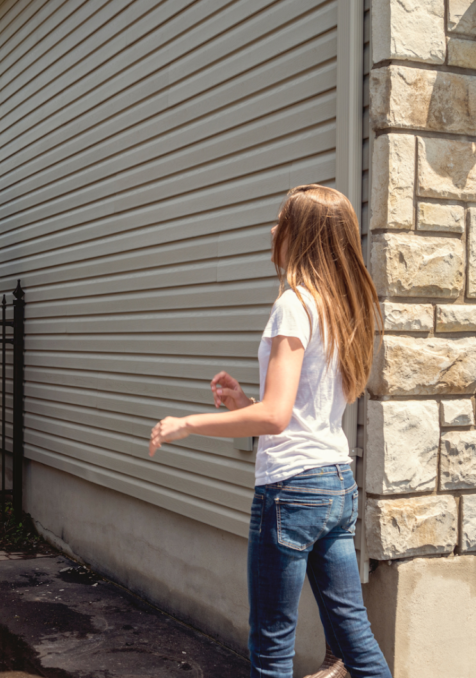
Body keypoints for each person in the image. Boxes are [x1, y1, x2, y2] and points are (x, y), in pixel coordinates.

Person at [148, 185, 390, 678]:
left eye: (282, 221)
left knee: (272, 645)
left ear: (303, 234)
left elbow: (278, 419)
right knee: (354, 632)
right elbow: (302, 409)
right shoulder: (341, 307)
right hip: (336, 484)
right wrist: (244, 404)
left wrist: (188, 423)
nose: (273, 229)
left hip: (292, 491)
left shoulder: (294, 305)